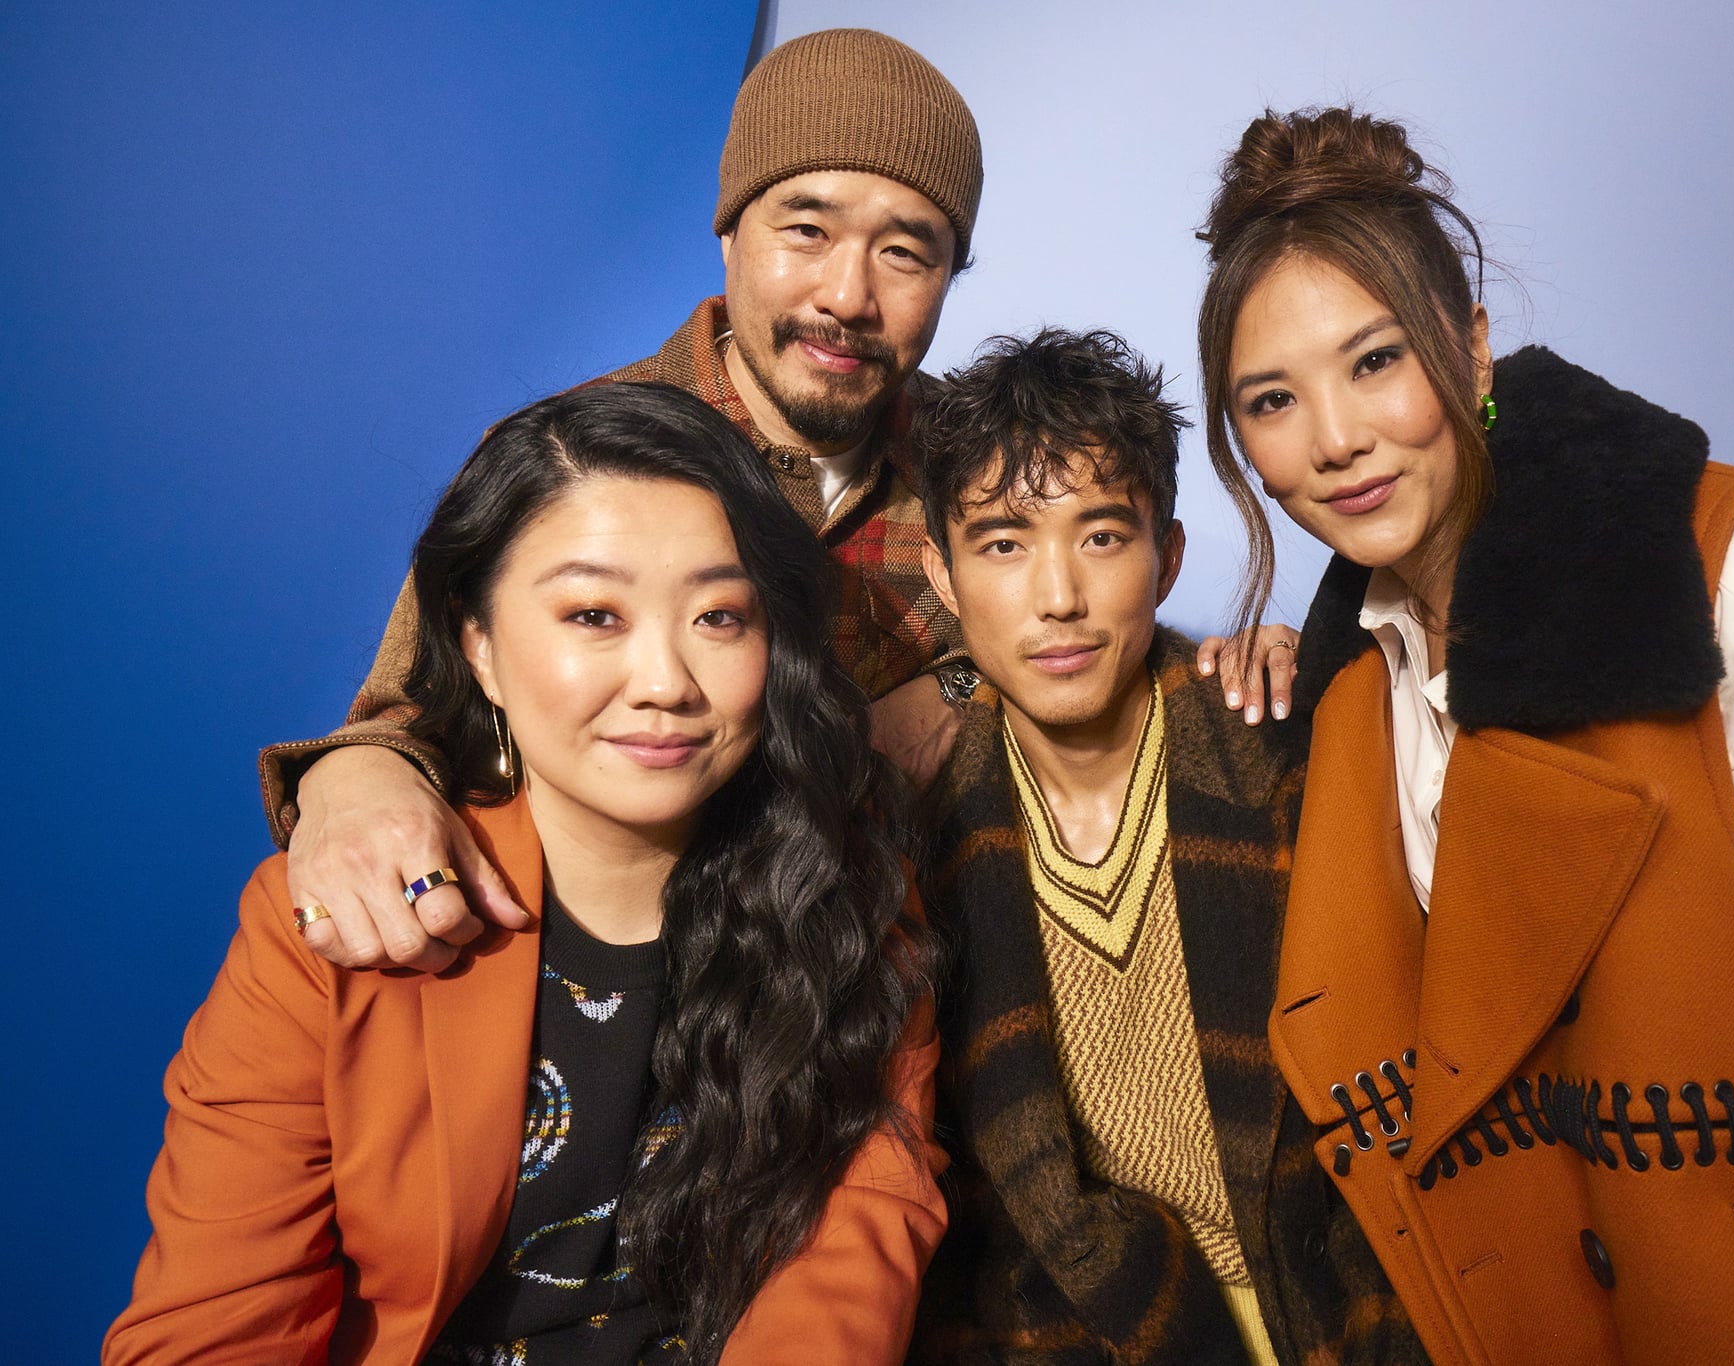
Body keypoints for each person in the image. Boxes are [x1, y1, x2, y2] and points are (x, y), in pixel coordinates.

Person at [1193, 106, 1734, 1366]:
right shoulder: (1348, 694)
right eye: (1272, 400)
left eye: (1374, 360)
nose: (1333, 439)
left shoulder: (1723, 571)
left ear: (1471, 347)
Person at [107, 383, 944, 1365]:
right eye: (594, 614)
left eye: (719, 617)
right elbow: (212, 1328)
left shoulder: (847, 893)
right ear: (479, 646)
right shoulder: (335, 921)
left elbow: (855, 1250)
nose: (665, 680)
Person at [264, 27, 988, 975]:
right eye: (806, 230)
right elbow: (407, 718)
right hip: (585, 988)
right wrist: (350, 782)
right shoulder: (569, 462)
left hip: (871, 996)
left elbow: (1096, 644)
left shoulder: (985, 469)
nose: (847, 295)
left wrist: (961, 687)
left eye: (905, 252)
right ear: (730, 230)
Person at [902, 329, 1425, 1366]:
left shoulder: (1279, 746)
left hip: (1343, 1301)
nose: (1057, 596)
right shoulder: (922, 830)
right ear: (945, 576)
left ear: (1167, 555)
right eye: (1003, 544)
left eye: (1100, 536)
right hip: (1087, 1326)